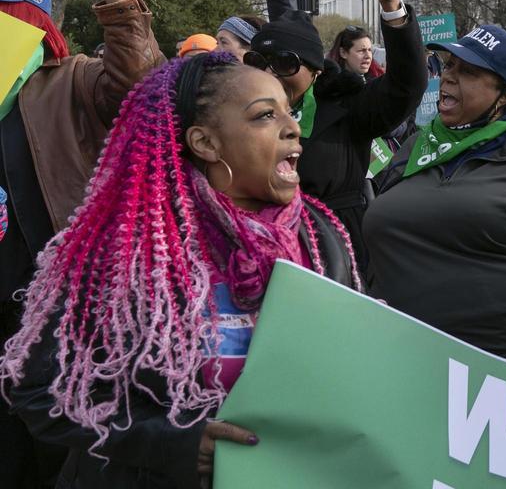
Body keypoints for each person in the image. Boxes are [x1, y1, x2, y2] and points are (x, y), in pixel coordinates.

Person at [0, 53, 359, 488]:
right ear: (205, 143)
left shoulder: (320, 236)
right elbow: (39, 392)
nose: (293, 127)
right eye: (266, 115)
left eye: (289, 110)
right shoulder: (125, 249)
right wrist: (173, 442)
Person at [0, 0, 163, 488]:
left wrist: (118, 3)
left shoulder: (72, 81)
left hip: (58, 297)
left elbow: (142, 85)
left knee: (52, 429)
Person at [363, 25, 506, 376]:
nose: (448, 77)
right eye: (449, 66)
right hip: (397, 362)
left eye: (468, 71)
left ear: (504, 95)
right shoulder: (415, 147)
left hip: (497, 380)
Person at [246, 0, 427, 269]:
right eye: (260, 63)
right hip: (262, 249)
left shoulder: (349, 107)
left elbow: (406, 85)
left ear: (316, 70)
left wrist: (391, 9)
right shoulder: (244, 111)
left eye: (286, 64)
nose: (272, 72)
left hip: (334, 253)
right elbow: (286, 35)